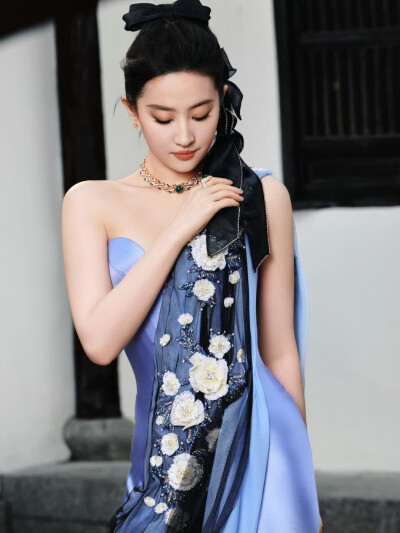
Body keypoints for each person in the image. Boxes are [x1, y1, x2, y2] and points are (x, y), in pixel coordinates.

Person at [62, 1, 323, 531]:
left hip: (263, 451)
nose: (184, 136)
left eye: (201, 114)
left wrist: (303, 484)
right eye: (162, 118)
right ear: (132, 110)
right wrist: (182, 225)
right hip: (165, 459)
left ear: (223, 100)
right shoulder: (91, 203)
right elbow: (100, 342)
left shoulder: (259, 195)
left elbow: (279, 351)